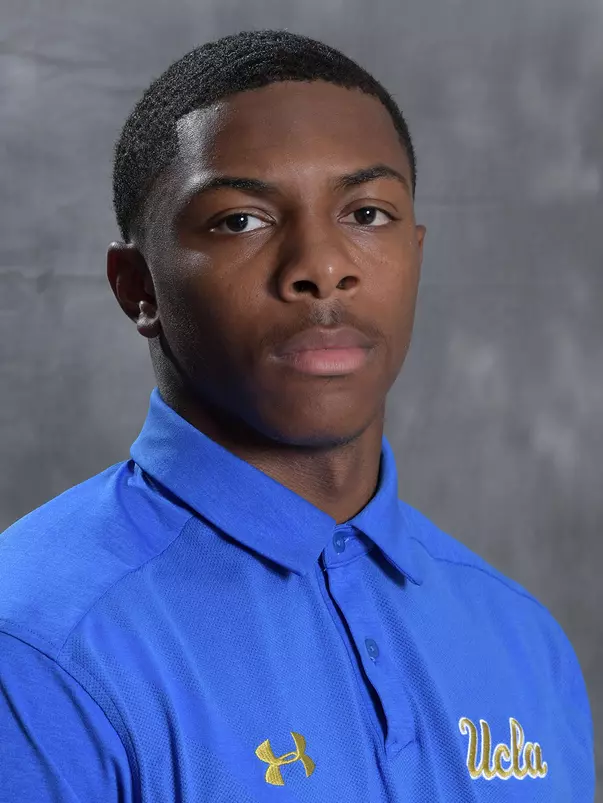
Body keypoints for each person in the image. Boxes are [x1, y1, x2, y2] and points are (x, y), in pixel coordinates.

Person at [0, 29, 594, 802]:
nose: (321, 266)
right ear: (136, 286)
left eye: (368, 212)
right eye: (240, 220)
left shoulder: (522, 640)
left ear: (415, 251)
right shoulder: (37, 645)